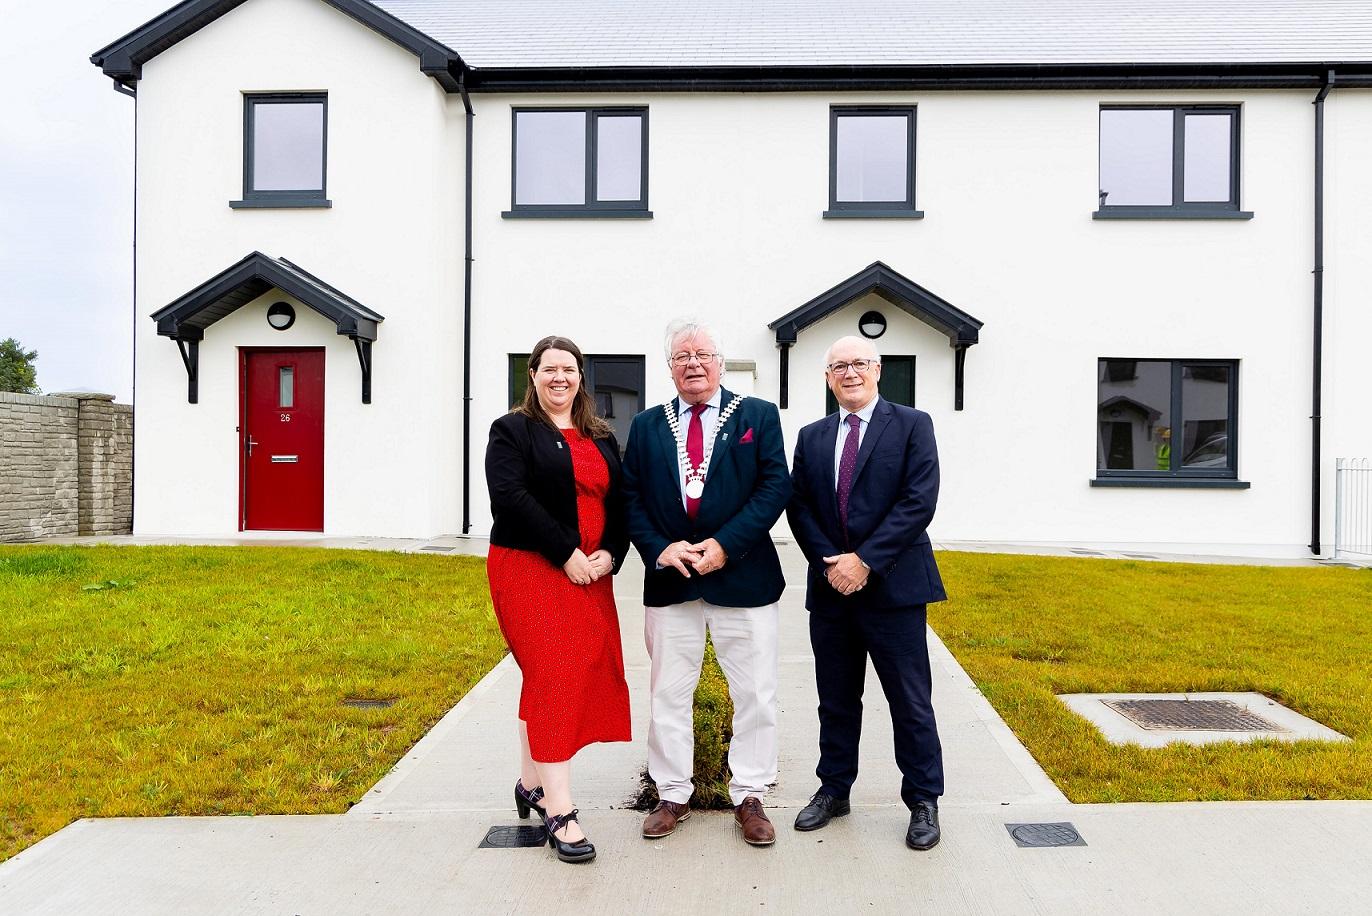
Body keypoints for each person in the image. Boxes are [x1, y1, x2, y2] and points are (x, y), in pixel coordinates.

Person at [621, 318, 791, 847]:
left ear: (720, 361)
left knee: (756, 693)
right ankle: (672, 792)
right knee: (669, 691)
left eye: (702, 355)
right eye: (681, 356)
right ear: (669, 367)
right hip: (672, 581)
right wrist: (660, 548)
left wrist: (725, 545)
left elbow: (773, 486)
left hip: (742, 576)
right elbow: (630, 497)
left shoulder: (757, 416)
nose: (693, 364)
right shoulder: (648, 425)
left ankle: (751, 794)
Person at [785, 335, 948, 851]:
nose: (849, 372)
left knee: (910, 701)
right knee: (835, 701)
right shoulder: (812, 436)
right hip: (832, 590)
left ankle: (923, 799)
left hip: (893, 589)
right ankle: (834, 789)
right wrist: (833, 563)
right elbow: (800, 507)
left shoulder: (913, 425)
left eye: (858, 363)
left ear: (877, 369)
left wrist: (866, 561)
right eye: (838, 366)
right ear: (828, 377)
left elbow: (918, 501)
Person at [485, 335, 632, 864]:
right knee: (553, 674)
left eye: (568, 369)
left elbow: (621, 504)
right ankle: (560, 810)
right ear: (533, 376)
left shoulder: (600, 435)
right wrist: (565, 551)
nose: (559, 378)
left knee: (557, 674)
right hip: (531, 569)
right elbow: (510, 497)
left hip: (591, 575)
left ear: (580, 377)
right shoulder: (512, 430)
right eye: (549, 369)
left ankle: (529, 782)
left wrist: (610, 554)